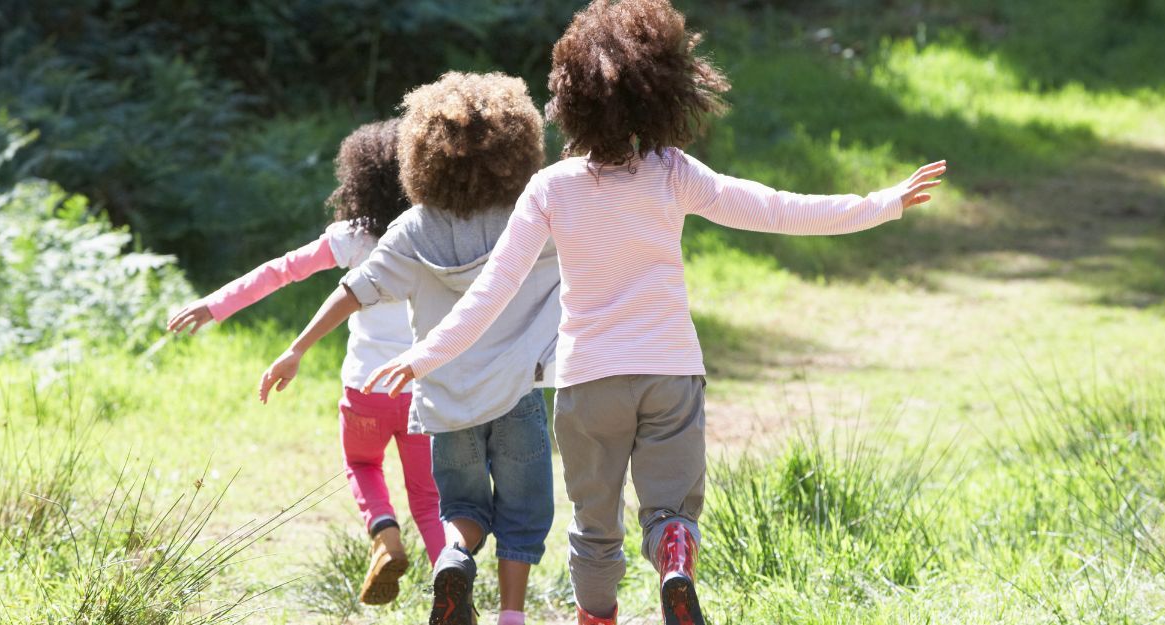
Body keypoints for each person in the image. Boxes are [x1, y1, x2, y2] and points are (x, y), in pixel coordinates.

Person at [363, 1, 947, 624]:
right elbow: (776, 208)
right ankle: (673, 553)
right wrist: (880, 203)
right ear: (664, 92)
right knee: (670, 510)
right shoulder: (673, 174)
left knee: (594, 530)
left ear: (569, 99)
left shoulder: (550, 188)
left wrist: (424, 356)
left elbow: (490, 292)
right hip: (670, 373)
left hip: (589, 383)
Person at [258, 72, 560, 625]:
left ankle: (454, 558)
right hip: (516, 394)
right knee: (523, 513)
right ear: (516, 149)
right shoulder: (530, 218)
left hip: (445, 400)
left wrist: (296, 349)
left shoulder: (412, 230)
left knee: (463, 509)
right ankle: (511, 615)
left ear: (422, 155)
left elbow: (353, 290)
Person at [166, 119, 445, 606]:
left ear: (360, 181)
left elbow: (282, 271)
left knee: (361, 462)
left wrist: (216, 304)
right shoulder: (435, 233)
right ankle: (453, 586)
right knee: (428, 498)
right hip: (422, 389)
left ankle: (384, 535)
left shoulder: (354, 238)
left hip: (366, 390)